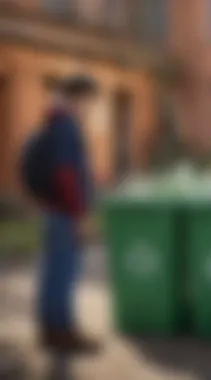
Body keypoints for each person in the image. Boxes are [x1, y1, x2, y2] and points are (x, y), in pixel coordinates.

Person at [21, 74, 99, 353]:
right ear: (78, 97)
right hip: (64, 211)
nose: (91, 107)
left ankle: (51, 330)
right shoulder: (66, 125)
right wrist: (78, 213)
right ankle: (62, 331)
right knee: (63, 271)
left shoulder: (53, 121)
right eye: (89, 100)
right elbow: (66, 173)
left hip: (55, 209)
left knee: (54, 269)